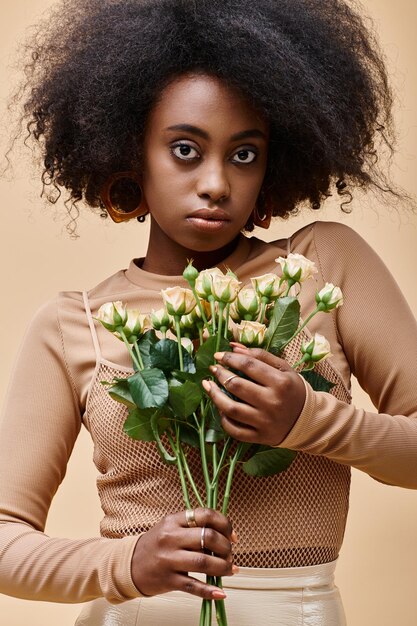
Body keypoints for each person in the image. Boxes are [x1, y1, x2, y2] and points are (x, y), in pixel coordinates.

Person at [0, 0, 416, 624]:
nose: (218, 183)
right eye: (186, 150)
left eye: (244, 154)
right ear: (130, 154)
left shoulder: (325, 263)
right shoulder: (74, 324)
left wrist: (310, 419)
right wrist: (126, 563)